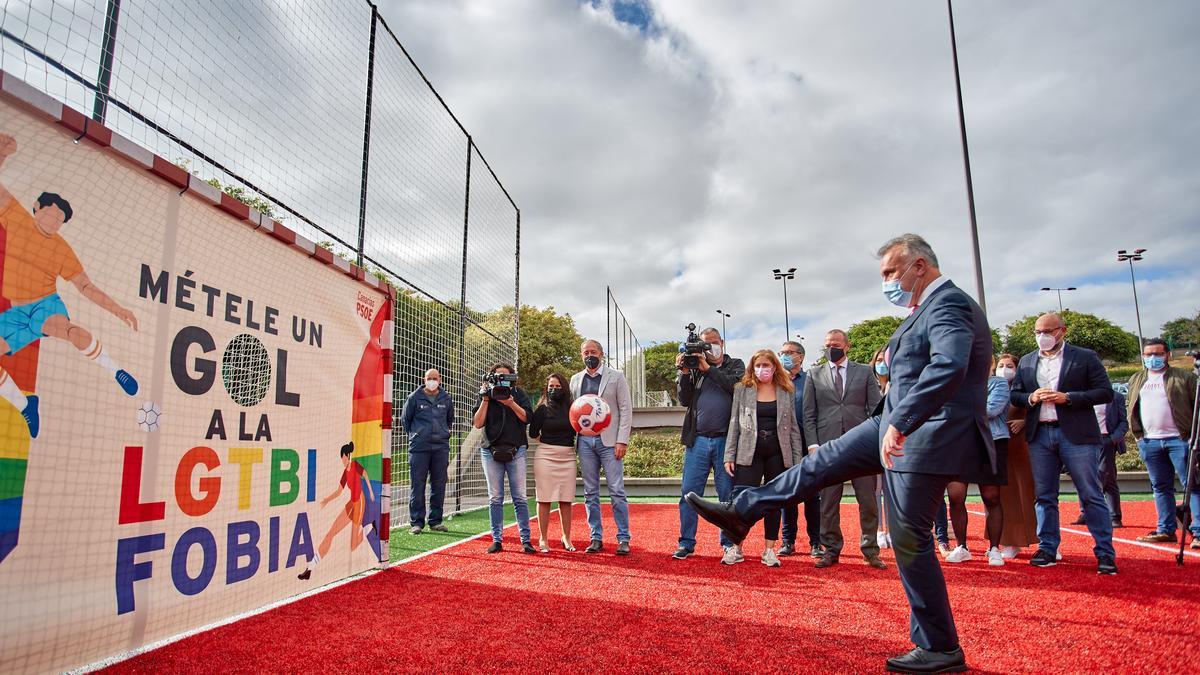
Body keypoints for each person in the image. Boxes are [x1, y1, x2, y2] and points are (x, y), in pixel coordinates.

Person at [687, 233, 994, 673]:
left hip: (925, 431)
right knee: (819, 464)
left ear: (920, 266)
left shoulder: (949, 305)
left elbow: (949, 366)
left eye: (892, 271)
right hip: (888, 423)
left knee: (909, 537)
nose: (887, 281)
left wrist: (903, 422)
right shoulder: (923, 309)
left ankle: (940, 647)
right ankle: (743, 511)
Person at [0, 133, 140, 439]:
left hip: (45, 304)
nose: (54, 220)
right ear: (38, 207)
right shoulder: (19, 219)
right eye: (51, 212)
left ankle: (116, 370)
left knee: (66, 330)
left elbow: (85, 286)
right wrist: (3, 154)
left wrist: (118, 309)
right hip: (15, 311)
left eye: (61, 218)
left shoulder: (61, 249)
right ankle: (25, 404)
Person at [1009, 313, 1116, 573]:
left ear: (1062, 331)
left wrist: (1067, 397)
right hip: (1040, 435)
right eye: (1037, 332)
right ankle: (1048, 547)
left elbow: (1105, 392)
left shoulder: (1084, 357)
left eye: (1047, 331)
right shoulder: (1026, 361)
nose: (1042, 336)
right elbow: (1015, 395)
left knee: (1090, 494)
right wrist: (1032, 397)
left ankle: (1105, 552)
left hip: (1076, 435)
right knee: (1044, 496)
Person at [803, 329, 885, 570]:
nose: (832, 348)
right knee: (828, 501)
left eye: (836, 344)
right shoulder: (814, 374)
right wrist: (813, 444)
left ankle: (870, 549)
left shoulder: (864, 371)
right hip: (828, 447)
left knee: (868, 500)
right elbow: (809, 414)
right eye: (828, 344)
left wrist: (876, 441)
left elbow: (876, 409)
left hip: (862, 445)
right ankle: (831, 549)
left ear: (847, 346)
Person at [722, 350, 805, 567]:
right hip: (749, 452)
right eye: (758, 365)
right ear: (752, 367)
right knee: (741, 501)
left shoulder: (786, 389)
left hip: (778, 452)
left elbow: (794, 427)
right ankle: (736, 547)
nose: (762, 369)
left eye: (766, 365)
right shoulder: (742, 389)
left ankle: (769, 549)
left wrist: (796, 460)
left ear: (774, 367)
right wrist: (729, 454)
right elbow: (734, 423)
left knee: (773, 502)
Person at [673, 327, 745, 561]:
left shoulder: (736, 365)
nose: (709, 347)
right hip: (698, 440)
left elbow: (736, 389)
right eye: (705, 344)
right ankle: (686, 542)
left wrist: (709, 369)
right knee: (689, 493)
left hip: (727, 440)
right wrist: (684, 373)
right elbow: (684, 399)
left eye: (713, 342)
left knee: (727, 495)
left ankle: (729, 544)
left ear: (722, 342)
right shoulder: (695, 369)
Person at [1126, 338, 1199, 547]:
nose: (1152, 358)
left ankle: (1198, 531)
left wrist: (1195, 437)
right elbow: (1132, 406)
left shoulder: (1185, 378)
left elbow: (1197, 409)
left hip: (1180, 440)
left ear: (1168, 355)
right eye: (1148, 355)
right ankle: (1166, 529)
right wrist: (1139, 435)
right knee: (1160, 487)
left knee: (1192, 486)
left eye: (1157, 354)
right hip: (1149, 441)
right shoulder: (1137, 379)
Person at [943, 356, 1010, 566]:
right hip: (960, 442)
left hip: (991, 442)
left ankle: (994, 549)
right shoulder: (956, 382)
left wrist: (959, 407)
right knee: (955, 495)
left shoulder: (998, 383)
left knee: (991, 497)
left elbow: (990, 410)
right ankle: (961, 547)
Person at [570, 339, 633, 555]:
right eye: (586, 352)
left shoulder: (616, 377)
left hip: (609, 442)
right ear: (581, 355)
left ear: (602, 353)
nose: (590, 355)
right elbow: (573, 412)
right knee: (590, 493)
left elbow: (625, 410)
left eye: (593, 351)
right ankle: (595, 537)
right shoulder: (575, 380)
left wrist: (622, 440)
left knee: (616, 491)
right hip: (585, 442)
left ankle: (623, 538)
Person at [473, 363, 535, 554]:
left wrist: (511, 403)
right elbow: (477, 423)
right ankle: (497, 540)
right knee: (495, 498)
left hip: (516, 450)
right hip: (490, 450)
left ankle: (526, 540)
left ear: (512, 379)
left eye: (505, 377)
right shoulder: (487, 394)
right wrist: (485, 399)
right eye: (497, 376)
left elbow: (527, 418)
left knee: (520, 497)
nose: (501, 380)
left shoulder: (518, 393)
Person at [298, 442, 376, 580]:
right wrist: (327, 500)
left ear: (347, 456)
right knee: (330, 534)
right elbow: (339, 492)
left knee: (353, 546)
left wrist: (370, 492)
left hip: (360, 503)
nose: (342, 461)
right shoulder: (344, 473)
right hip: (351, 504)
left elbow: (366, 475)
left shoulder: (356, 465)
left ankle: (369, 527)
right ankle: (310, 568)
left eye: (343, 458)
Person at [778, 340, 821, 558]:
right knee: (788, 495)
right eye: (782, 352)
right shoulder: (777, 381)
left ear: (800, 357)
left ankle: (816, 542)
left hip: (808, 444)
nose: (784, 356)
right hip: (784, 445)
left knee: (812, 495)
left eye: (789, 353)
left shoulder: (812, 380)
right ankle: (788, 541)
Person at [995, 353, 1038, 559]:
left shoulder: (1026, 389)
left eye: (1009, 365)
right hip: (1001, 448)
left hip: (1024, 446)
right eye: (1001, 365)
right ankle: (1011, 541)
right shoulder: (990, 388)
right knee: (1006, 496)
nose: (1004, 369)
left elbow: (1042, 412)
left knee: (1032, 494)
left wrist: (1025, 422)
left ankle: (1046, 541)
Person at [529, 373, 578, 552]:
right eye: (550, 386)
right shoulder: (542, 409)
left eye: (557, 387)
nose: (553, 390)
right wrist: (550, 442)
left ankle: (567, 537)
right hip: (545, 456)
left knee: (566, 499)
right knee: (544, 499)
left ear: (564, 388)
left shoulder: (573, 408)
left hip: (568, 456)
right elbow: (534, 433)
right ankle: (543, 539)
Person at [400, 368, 454, 535]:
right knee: (418, 485)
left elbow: (449, 419)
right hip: (419, 448)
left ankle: (435, 521)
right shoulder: (414, 397)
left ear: (440, 379)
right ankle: (416, 522)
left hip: (440, 447)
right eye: (429, 378)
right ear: (423, 379)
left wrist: (443, 432)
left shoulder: (446, 398)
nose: (432, 381)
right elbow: (405, 420)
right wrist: (418, 435)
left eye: (434, 378)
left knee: (439, 485)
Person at [1073, 388, 1127, 528]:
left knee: (1106, 476)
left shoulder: (1116, 397)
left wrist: (1113, 439)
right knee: (1083, 476)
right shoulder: (1082, 395)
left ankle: (1113, 516)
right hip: (1085, 441)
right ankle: (1086, 512)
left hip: (1106, 441)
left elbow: (1123, 423)